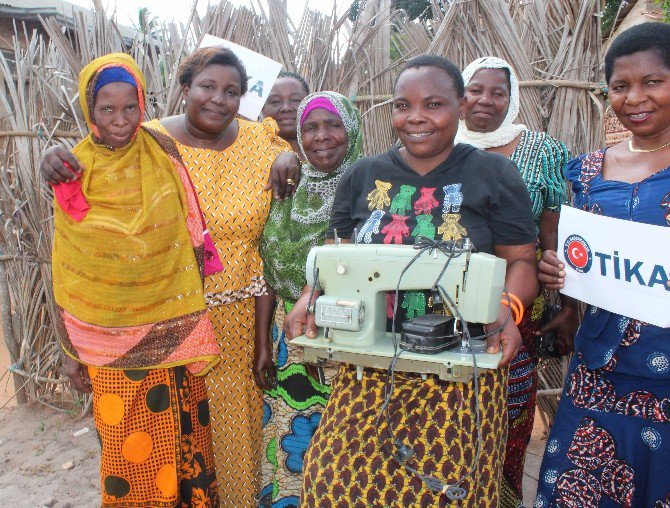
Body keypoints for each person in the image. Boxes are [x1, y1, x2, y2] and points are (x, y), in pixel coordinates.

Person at [42, 47, 298, 507]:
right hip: (158, 324)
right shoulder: (152, 142)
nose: (218, 99)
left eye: (232, 91)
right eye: (207, 87)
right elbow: (77, 251)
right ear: (184, 90)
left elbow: (293, 146)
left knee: (226, 443)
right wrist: (51, 154)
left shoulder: (251, 145)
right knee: (153, 447)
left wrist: (288, 157)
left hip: (239, 325)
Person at [284, 55, 539, 507]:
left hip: (461, 372)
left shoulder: (494, 175)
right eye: (403, 105)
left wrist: (507, 310)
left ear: (461, 107)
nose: (416, 117)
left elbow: (520, 261)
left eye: (434, 104)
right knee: (333, 483)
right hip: (366, 367)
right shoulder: (363, 175)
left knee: (444, 492)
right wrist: (310, 296)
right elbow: (335, 259)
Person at [54, 53, 221, 507]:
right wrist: (71, 351)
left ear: (142, 103)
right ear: (90, 111)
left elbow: (188, 231)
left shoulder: (162, 152)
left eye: (130, 107)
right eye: (107, 109)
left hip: (173, 331)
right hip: (108, 347)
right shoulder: (71, 170)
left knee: (185, 439)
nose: (121, 119)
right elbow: (70, 267)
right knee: (129, 454)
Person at [535, 22, 670, 507]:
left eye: (652, 82)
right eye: (620, 86)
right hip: (597, 373)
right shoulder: (589, 172)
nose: (635, 97)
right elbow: (584, 258)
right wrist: (563, 286)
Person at [455, 56, 574, 506]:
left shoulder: (542, 150)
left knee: (507, 417)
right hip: (441, 310)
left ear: (513, 98)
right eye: (475, 90)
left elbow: (553, 232)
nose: (485, 100)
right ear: (459, 96)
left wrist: (564, 301)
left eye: (497, 92)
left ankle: (503, 497)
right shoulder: (437, 145)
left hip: (515, 306)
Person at [255, 91, 363, 508]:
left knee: (346, 449)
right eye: (310, 128)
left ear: (350, 128)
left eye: (332, 125)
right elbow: (266, 269)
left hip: (351, 341)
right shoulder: (287, 187)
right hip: (290, 339)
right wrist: (263, 344)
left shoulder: (373, 184)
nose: (321, 137)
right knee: (291, 441)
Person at [260, 71, 311, 157]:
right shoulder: (249, 155)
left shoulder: (328, 154)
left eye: (295, 100)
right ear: (262, 109)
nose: (286, 108)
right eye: (275, 101)